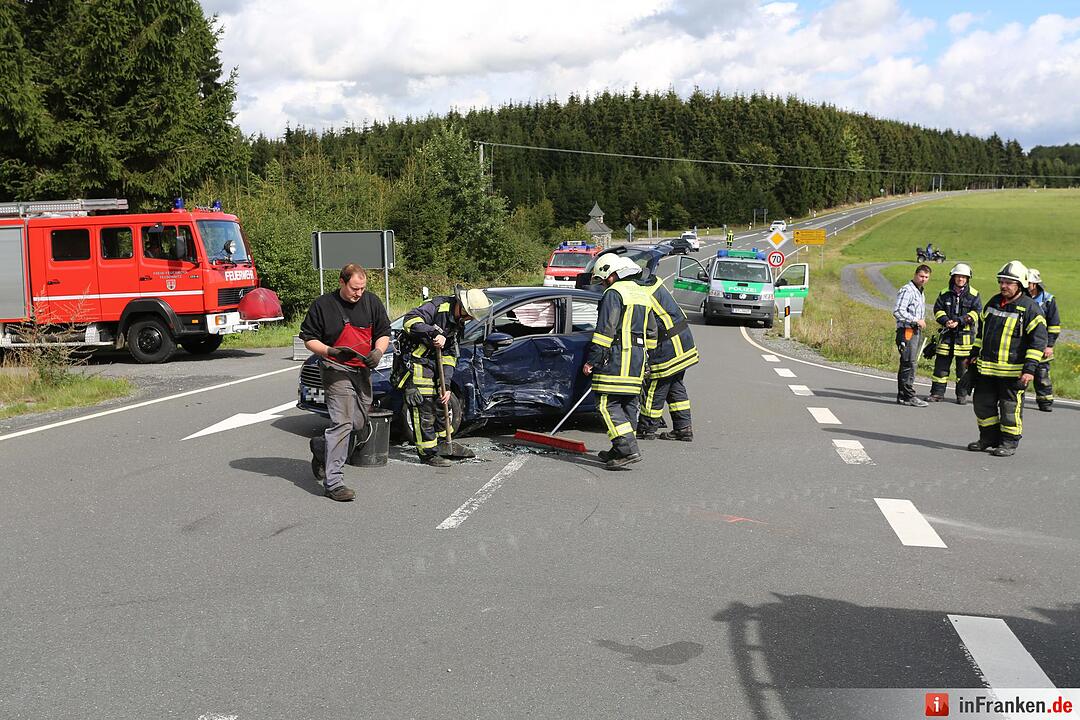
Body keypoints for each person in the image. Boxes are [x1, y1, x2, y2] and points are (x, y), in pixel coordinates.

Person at [299, 264, 391, 501]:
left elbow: (383, 332)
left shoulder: (372, 302)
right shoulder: (323, 305)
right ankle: (334, 483)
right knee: (342, 422)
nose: (358, 293)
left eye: (362, 288)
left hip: (362, 372)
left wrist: (378, 352)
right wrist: (330, 351)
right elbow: (309, 339)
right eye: (354, 288)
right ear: (341, 282)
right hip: (335, 370)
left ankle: (322, 447)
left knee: (358, 423)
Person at [393, 287, 492, 467]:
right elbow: (409, 321)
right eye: (469, 315)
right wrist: (433, 333)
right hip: (414, 363)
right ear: (461, 306)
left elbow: (449, 356)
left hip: (434, 365)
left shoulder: (458, 322)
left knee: (441, 405)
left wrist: (444, 384)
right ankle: (428, 453)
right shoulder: (438, 307)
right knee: (424, 410)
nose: (469, 319)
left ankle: (443, 445)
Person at [967, 260, 1048, 457]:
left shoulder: (1030, 309)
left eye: (1008, 283)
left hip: (1013, 372)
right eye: (1001, 281)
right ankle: (988, 438)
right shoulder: (993, 302)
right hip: (987, 369)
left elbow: (1037, 343)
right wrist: (973, 355)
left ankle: (1009, 442)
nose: (1003, 286)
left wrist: (1029, 370)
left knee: (1009, 409)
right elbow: (981, 334)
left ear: (1019, 284)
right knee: (982, 404)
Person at [583, 255, 657, 470]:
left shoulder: (614, 293)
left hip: (617, 358)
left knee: (607, 404)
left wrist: (592, 360)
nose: (604, 284)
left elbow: (605, 331)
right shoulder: (642, 294)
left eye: (604, 279)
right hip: (637, 360)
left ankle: (627, 449)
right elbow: (652, 333)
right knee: (628, 405)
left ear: (612, 275)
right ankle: (619, 450)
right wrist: (646, 361)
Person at [636, 273, 699, 441]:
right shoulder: (654, 283)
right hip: (684, 342)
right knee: (675, 386)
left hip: (667, 347)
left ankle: (646, 428)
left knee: (655, 387)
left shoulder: (641, 292)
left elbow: (647, 328)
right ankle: (683, 428)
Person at [928, 263, 980, 404]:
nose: (961, 279)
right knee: (941, 369)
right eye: (958, 276)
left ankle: (961, 396)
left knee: (962, 371)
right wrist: (945, 321)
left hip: (964, 338)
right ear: (953, 277)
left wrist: (960, 321)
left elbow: (976, 313)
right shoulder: (944, 293)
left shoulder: (974, 294)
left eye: (964, 277)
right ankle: (937, 394)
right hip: (946, 337)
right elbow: (938, 309)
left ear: (968, 279)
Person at [893, 264, 932, 407]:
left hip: (915, 331)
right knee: (909, 363)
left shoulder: (920, 291)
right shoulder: (907, 290)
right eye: (921, 276)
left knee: (910, 363)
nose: (923, 279)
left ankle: (903, 395)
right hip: (907, 330)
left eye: (926, 277)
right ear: (915, 275)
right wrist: (915, 320)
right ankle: (908, 395)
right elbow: (898, 311)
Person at [1026, 268, 1061, 412]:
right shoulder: (1021, 298)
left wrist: (1050, 345)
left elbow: (1054, 324)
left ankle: (1044, 402)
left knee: (1041, 375)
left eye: (1028, 282)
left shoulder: (1048, 300)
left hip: (1042, 344)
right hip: (1024, 343)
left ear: (1035, 284)